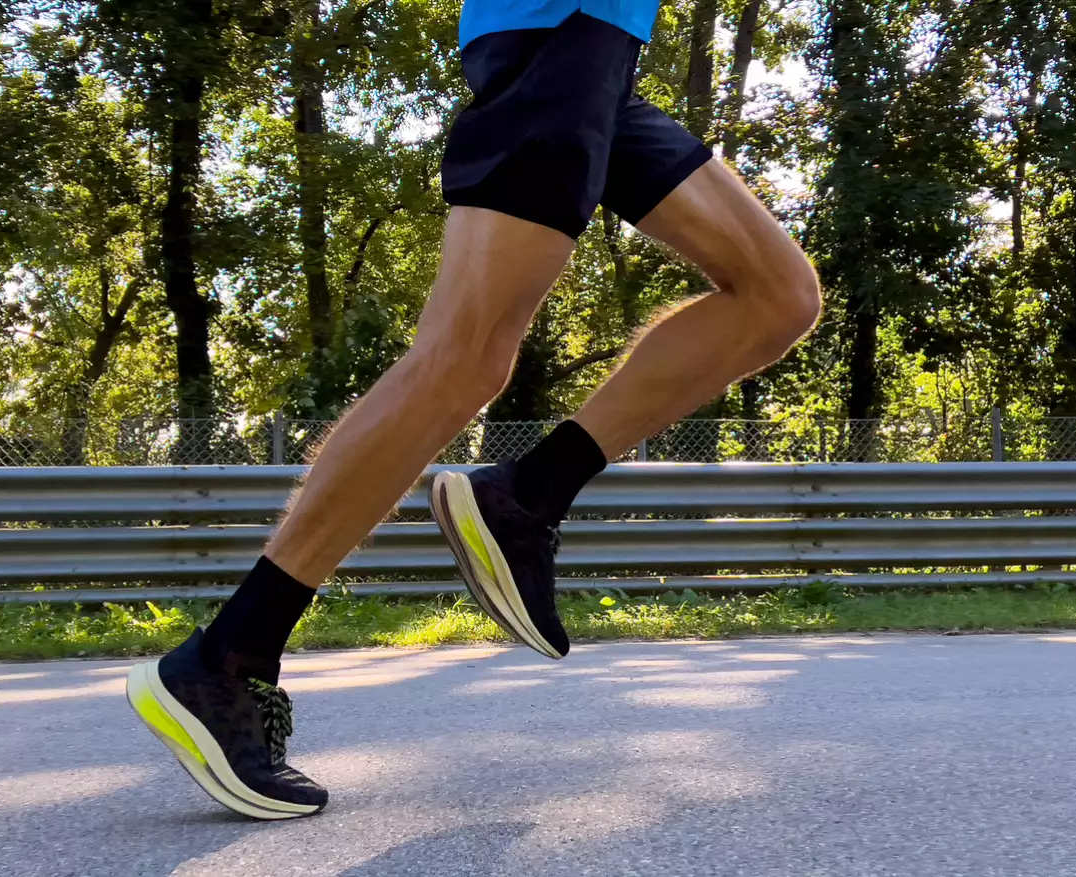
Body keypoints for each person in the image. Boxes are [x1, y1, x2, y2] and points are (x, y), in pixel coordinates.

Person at [125, 0, 821, 820]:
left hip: (602, 55)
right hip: (560, 32)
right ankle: (230, 656)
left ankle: (529, 492)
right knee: (464, 356)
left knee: (778, 296)